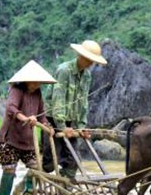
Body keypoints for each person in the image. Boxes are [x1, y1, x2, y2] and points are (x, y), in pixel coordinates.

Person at [42, 40, 107, 182]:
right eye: (89, 60)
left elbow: (83, 102)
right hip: (53, 119)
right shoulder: (64, 70)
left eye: (93, 61)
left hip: (72, 121)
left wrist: (81, 127)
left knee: (73, 161)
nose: (91, 64)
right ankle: (29, 186)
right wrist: (62, 127)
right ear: (81, 56)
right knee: (50, 162)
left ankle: (65, 188)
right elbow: (57, 99)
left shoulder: (87, 76)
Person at [0, 60, 56, 195]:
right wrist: (25, 118)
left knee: (36, 169)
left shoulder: (37, 93)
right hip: (11, 139)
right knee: (9, 170)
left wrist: (48, 126)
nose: (37, 85)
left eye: (38, 82)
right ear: (27, 80)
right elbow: (11, 108)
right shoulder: (17, 90)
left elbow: (41, 114)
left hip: (28, 140)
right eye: (34, 82)